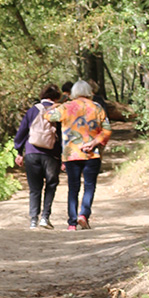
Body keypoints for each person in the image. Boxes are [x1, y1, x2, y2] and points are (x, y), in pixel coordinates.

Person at [46, 79, 111, 230]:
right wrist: (94, 143)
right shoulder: (97, 107)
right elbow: (107, 130)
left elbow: (48, 116)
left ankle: (72, 223)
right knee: (89, 186)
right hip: (91, 153)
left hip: (71, 154)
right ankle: (84, 215)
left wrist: (55, 106)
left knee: (73, 187)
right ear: (89, 92)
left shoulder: (66, 107)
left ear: (73, 92)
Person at [13, 83, 62, 229]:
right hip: (51, 154)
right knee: (51, 185)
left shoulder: (32, 111)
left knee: (35, 188)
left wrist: (19, 152)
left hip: (32, 152)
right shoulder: (58, 111)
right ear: (56, 97)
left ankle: (33, 219)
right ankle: (45, 218)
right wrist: (63, 155)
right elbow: (62, 134)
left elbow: (21, 132)